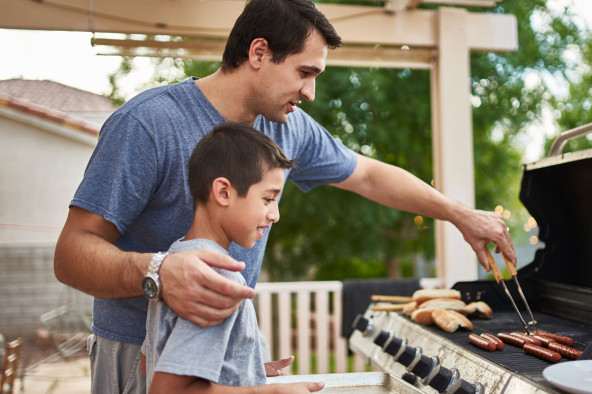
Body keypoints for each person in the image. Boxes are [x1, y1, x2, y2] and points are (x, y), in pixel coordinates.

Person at [53, 0, 516, 392]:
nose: (310, 92)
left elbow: (370, 176)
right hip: (139, 354)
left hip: (221, 357)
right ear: (259, 52)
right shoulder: (149, 124)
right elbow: (71, 253)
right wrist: (159, 272)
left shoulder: (285, 128)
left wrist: (459, 215)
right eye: (304, 72)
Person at [143, 122, 321, 393]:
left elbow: (150, 362)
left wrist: (247, 368)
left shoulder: (177, 259)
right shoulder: (216, 276)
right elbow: (168, 390)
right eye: (268, 199)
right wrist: (267, 392)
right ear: (223, 192)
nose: (275, 215)